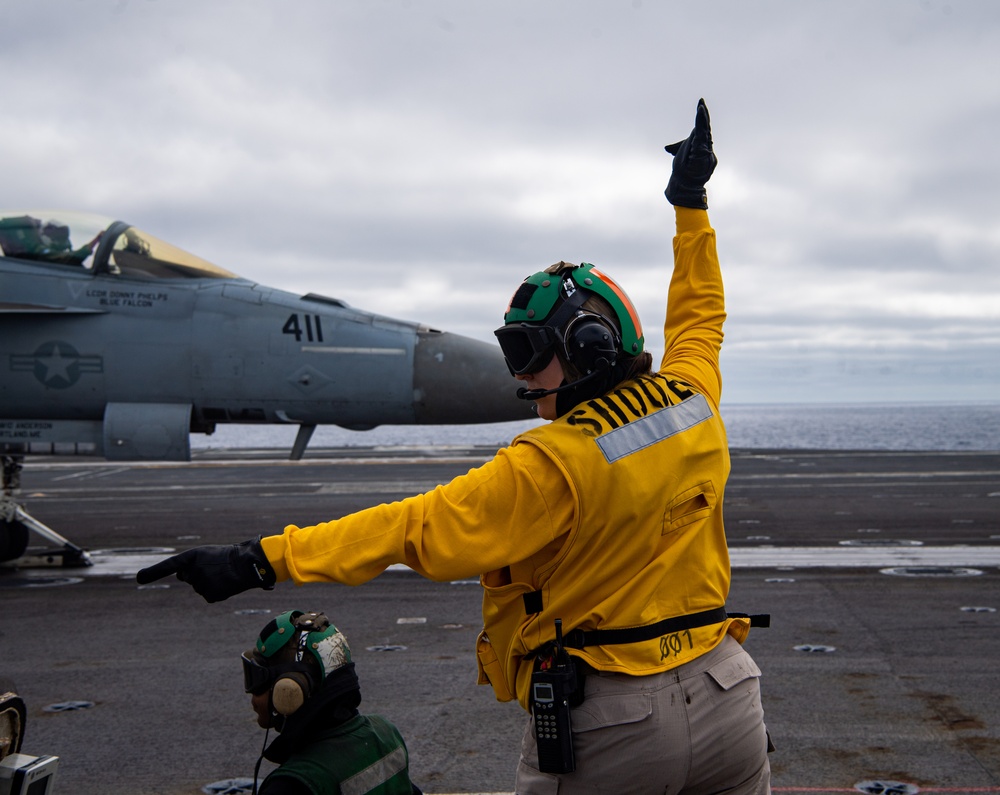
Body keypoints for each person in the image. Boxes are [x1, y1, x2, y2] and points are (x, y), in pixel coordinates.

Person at [139, 99, 772, 794]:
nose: (523, 379)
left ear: (586, 351)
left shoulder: (553, 463)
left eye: (531, 355)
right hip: (727, 696)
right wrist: (691, 203)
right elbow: (700, 312)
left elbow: (409, 528)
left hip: (616, 725)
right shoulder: (694, 400)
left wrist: (261, 557)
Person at [240, 609, 421, 795]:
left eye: (258, 680)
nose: (253, 695)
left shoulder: (293, 784)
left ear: (290, 689)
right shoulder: (385, 732)